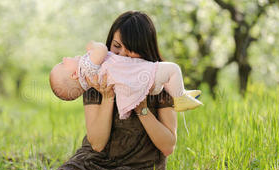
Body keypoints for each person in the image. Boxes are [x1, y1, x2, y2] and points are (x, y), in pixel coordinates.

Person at [0, 11, 183, 170]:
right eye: (116, 47)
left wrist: (142, 109)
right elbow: (97, 143)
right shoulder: (95, 79)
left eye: (130, 50)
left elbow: (168, 146)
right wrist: (108, 97)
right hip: (93, 161)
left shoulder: (160, 83)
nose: (121, 55)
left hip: (138, 169)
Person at [49, 40, 202, 119]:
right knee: (173, 69)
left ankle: (182, 94)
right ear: (74, 75)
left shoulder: (90, 80)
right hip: (141, 77)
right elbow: (102, 50)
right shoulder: (86, 68)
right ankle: (180, 98)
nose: (64, 58)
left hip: (139, 84)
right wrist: (92, 45)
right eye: (63, 63)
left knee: (166, 77)